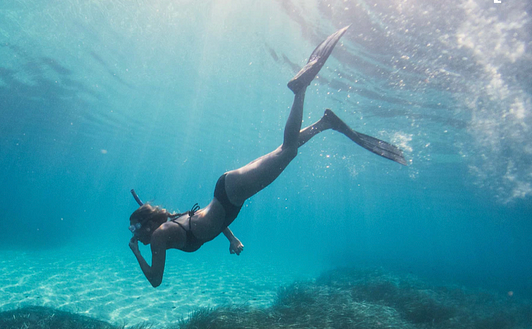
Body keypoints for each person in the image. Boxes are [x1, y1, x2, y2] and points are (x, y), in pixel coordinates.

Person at [127, 26, 407, 288]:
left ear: (146, 225)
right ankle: (325, 123)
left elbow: (155, 279)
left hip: (230, 194)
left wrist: (136, 250)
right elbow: (207, 222)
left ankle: (300, 90)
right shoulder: (168, 223)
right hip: (228, 190)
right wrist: (233, 238)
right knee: (284, 151)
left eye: (135, 229)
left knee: (288, 151)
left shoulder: (160, 236)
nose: (134, 234)